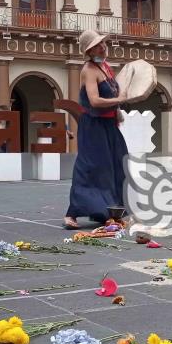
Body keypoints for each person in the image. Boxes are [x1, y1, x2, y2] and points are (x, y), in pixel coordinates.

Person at [63, 30, 128, 229]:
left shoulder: (106, 67)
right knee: (91, 167)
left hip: (109, 125)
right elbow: (94, 100)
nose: (103, 47)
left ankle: (109, 211)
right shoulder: (88, 70)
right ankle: (72, 213)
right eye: (99, 45)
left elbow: (111, 95)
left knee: (117, 164)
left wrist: (116, 109)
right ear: (90, 50)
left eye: (103, 43)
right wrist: (120, 101)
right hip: (93, 125)